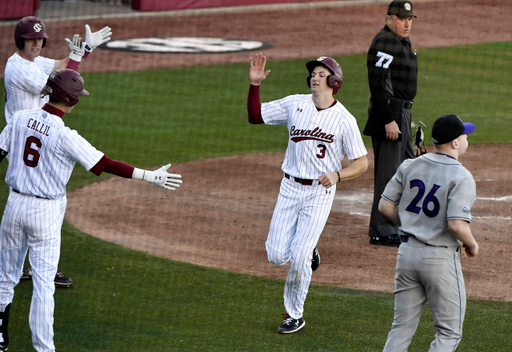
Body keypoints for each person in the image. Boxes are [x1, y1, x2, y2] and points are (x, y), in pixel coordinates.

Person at [0, 69, 182, 352]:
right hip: (44, 214)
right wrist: (149, 176)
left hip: (13, 206)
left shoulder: (20, 118)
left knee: (5, 278)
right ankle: (44, 349)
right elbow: (105, 164)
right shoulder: (66, 136)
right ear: (72, 100)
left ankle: (0, 339)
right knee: (44, 286)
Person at [247, 53, 368, 334]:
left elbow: (361, 163)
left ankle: (294, 314)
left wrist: (337, 175)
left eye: (321, 73)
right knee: (276, 255)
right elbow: (255, 117)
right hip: (289, 187)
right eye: (313, 73)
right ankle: (310, 247)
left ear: (334, 81)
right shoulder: (294, 104)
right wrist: (255, 86)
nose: (315, 77)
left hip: (319, 193)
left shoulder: (344, 120)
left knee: (299, 255)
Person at [4, 16, 112, 286]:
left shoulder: (32, 62)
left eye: (40, 39)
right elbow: (60, 87)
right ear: (21, 41)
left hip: (36, 132)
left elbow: (63, 68)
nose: (36, 43)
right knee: (33, 200)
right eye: (31, 39)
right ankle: (32, 268)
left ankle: (29, 265)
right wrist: (77, 56)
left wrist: (84, 51)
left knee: (30, 201)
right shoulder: (20, 69)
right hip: (21, 135)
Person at [378, 114, 479, 351]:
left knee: (401, 327)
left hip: (407, 254)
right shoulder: (462, 176)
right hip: (439, 259)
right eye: (464, 134)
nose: (466, 138)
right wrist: (472, 244)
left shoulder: (409, 164)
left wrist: (412, 222)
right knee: (449, 331)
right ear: (455, 142)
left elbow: (385, 206)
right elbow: (456, 225)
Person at [363, 0, 418, 247]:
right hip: (390, 114)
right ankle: (382, 230)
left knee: (407, 168)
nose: (407, 23)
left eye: (409, 19)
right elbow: (377, 84)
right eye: (401, 18)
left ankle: (399, 222)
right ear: (389, 19)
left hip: (401, 114)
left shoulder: (400, 41)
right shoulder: (385, 43)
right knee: (389, 173)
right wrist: (389, 119)